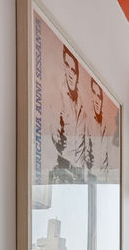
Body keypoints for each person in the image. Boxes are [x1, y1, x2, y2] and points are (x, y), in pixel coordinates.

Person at [49, 44, 87, 183]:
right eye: (67, 66)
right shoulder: (58, 99)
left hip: (79, 177)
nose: (71, 74)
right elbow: (53, 139)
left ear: (77, 75)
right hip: (63, 174)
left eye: (74, 70)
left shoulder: (82, 105)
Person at [84, 77, 118, 180]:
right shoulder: (87, 121)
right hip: (91, 178)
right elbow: (85, 155)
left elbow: (109, 157)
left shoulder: (106, 125)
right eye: (94, 94)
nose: (97, 101)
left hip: (105, 180)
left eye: (99, 97)